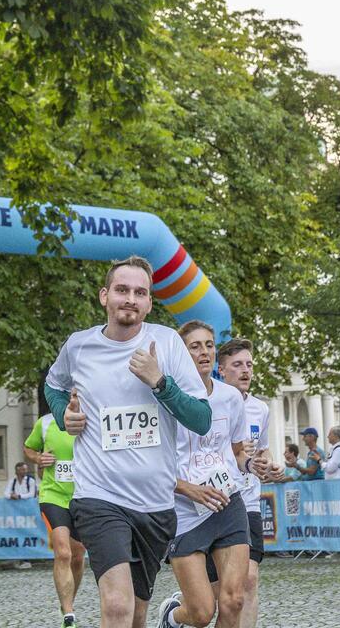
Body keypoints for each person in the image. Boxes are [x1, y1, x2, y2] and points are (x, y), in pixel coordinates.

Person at [44, 256, 212, 628]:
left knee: (136, 615)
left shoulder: (166, 343)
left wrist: (160, 382)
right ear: (105, 296)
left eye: (140, 292)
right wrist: (63, 415)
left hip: (155, 504)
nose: (130, 299)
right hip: (99, 497)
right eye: (122, 290)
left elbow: (201, 419)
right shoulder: (79, 346)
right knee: (117, 607)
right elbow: (53, 386)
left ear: (150, 302)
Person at [156, 321, 270, 628]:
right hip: (185, 512)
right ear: (180, 353)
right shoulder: (163, 400)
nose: (204, 351)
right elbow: (150, 465)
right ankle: (172, 617)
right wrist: (187, 488)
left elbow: (237, 452)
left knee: (234, 600)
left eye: (208, 345)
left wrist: (251, 465)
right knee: (202, 612)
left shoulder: (230, 398)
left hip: (228, 504)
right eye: (195, 346)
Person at [217, 337, 281, 628]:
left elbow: (262, 449)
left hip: (249, 500)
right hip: (214, 500)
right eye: (237, 365)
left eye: (249, 365)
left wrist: (269, 465)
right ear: (221, 370)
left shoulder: (260, 409)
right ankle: (180, 609)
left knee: (250, 579)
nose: (245, 371)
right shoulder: (210, 404)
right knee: (216, 591)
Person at [24, 412, 85, 628]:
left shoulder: (91, 417)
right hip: (53, 495)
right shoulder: (45, 422)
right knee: (63, 552)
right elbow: (28, 448)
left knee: (78, 556)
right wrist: (38, 458)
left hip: (82, 495)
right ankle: (68, 614)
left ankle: (68, 601)